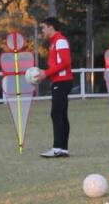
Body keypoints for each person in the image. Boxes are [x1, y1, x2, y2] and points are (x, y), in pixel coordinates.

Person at [35, 17, 75, 158]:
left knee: (56, 113)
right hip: (59, 82)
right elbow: (56, 65)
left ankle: (58, 148)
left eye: (44, 27)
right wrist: (44, 73)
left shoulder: (60, 41)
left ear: (51, 27)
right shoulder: (54, 43)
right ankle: (63, 149)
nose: (43, 30)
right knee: (61, 114)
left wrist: (45, 73)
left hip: (62, 82)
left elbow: (65, 62)